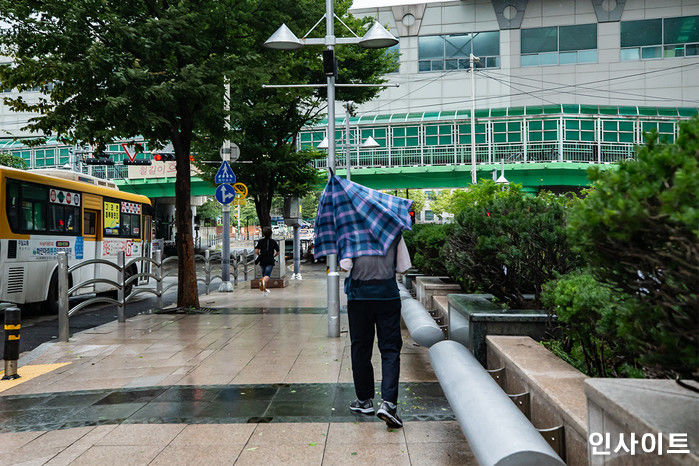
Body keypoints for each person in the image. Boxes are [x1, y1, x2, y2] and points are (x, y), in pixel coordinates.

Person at [341, 234, 412, 428]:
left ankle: (364, 401)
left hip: (359, 298)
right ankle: (388, 403)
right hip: (387, 297)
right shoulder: (394, 232)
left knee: (360, 347)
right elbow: (404, 267)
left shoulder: (352, 232)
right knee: (390, 349)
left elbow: (344, 266)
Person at [255, 226, 279, 294]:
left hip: (262, 259)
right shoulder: (273, 241)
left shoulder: (260, 241)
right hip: (270, 259)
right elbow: (278, 251)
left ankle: (264, 291)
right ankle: (262, 284)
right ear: (271, 233)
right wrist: (274, 255)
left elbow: (256, 251)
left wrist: (259, 255)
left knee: (264, 275)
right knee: (267, 276)